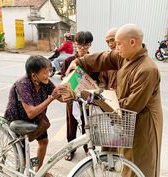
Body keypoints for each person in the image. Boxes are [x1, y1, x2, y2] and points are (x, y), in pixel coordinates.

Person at [65, 24, 163, 177]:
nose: (115, 47)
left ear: (132, 42)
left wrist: (104, 99)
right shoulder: (124, 56)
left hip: (144, 124)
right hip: (128, 120)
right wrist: (79, 62)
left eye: (118, 43)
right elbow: (104, 57)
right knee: (127, 162)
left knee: (140, 165)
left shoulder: (147, 69)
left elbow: (132, 105)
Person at [4, 55, 67, 177]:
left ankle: (39, 171)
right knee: (23, 160)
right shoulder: (23, 84)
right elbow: (31, 112)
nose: (48, 75)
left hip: (35, 119)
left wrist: (73, 95)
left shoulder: (45, 81)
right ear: (34, 75)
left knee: (43, 141)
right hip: (18, 121)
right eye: (45, 72)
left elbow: (61, 97)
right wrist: (51, 98)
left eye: (49, 71)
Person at [61, 31, 99, 161]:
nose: (83, 48)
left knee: (87, 124)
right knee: (71, 125)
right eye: (80, 45)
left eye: (86, 45)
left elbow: (98, 79)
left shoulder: (94, 60)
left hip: (88, 99)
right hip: (72, 99)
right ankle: (71, 149)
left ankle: (88, 148)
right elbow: (63, 78)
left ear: (90, 45)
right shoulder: (68, 61)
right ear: (75, 44)